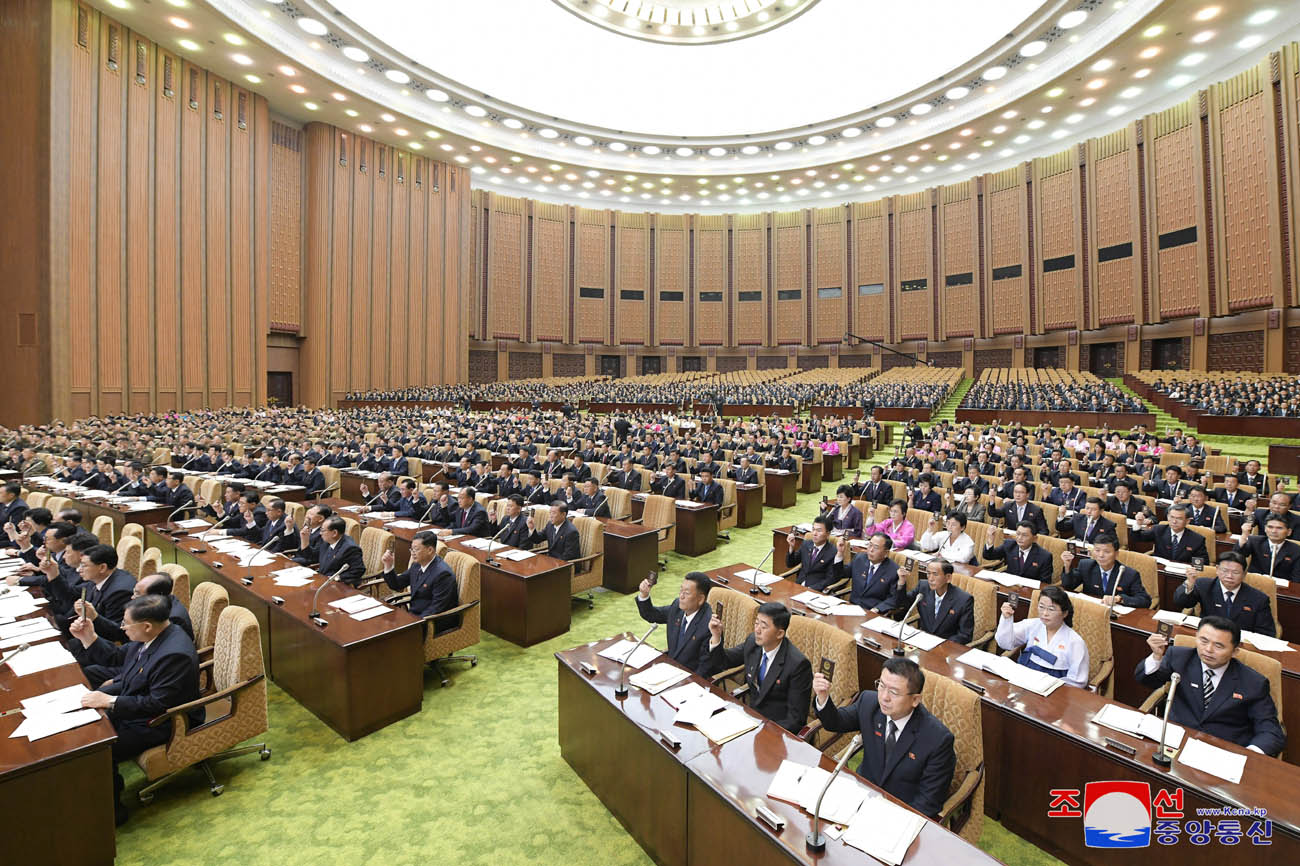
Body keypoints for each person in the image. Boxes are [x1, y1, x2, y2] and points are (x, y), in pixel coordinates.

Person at [72, 594, 203, 825]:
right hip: (139, 704)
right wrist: (88, 637)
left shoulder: (174, 653)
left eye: (126, 624)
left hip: (165, 722)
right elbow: (117, 656)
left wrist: (110, 702)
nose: (122, 628)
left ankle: (114, 813)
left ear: (146, 626)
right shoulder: (154, 636)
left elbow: (157, 704)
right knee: (82, 714)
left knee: (98, 747)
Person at [810, 656, 955, 819]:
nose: (884, 697)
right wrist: (822, 697)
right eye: (881, 686)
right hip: (860, 797)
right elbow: (835, 722)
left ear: (915, 700)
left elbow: (928, 802)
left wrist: (890, 821)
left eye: (893, 692)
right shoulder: (868, 702)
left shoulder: (938, 739)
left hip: (898, 813)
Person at [1135, 615, 1284, 756]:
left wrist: (1248, 755)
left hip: (1222, 751)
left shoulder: (1254, 682)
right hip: (1176, 742)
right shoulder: (1179, 657)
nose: (1208, 650)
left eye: (1218, 646)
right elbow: (1147, 680)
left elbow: (1270, 731)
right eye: (1203, 641)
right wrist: (1156, 657)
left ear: (1235, 651)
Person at [705, 601, 812, 733]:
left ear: (779, 634)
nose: (757, 630)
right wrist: (716, 636)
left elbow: (795, 720)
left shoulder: (798, 665)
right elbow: (724, 661)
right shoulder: (753, 642)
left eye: (764, 626)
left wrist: (763, 731)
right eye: (756, 623)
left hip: (776, 731)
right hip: (752, 719)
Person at [76, 571, 194, 662]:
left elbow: (129, 640)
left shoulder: (171, 619)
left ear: (155, 596)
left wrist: (95, 618)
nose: (132, 598)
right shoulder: (159, 604)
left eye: (137, 594)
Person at [996, 585, 1090, 688]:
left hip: (1054, 688)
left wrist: (1052, 687)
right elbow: (1005, 643)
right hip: (1025, 680)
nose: (1044, 613)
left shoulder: (1075, 642)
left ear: (1064, 613)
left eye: (1051, 609)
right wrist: (1006, 619)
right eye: (1041, 607)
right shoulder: (1032, 625)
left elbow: (1078, 681)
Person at [1172, 551, 1275, 637]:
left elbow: (1266, 633)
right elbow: (1181, 602)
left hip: (1240, 644)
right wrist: (1189, 584)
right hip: (1209, 637)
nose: (1229, 576)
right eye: (1225, 571)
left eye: (1235, 572)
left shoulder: (1259, 598)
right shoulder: (1204, 585)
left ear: (1244, 574)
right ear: (1217, 570)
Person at [379, 531, 459, 634]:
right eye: (411, 549)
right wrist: (388, 566)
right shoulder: (416, 565)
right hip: (416, 616)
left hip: (433, 623)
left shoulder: (442, 574)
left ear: (430, 550)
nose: (412, 553)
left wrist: (412, 623)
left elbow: (437, 608)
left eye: (416, 549)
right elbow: (397, 584)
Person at [635, 571, 713, 674]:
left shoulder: (708, 625)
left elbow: (705, 669)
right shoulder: (677, 607)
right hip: (670, 669)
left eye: (687, 593)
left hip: (689, 678)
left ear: (701, 599)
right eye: (681, 590)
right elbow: (652, 615)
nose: (681, 596)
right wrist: (644, 594)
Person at [895, 560, 974, 645]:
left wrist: (941, 644)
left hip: (945, 647)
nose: (930, 579)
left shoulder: (964, 599)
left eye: (935, 574)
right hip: (922, 641)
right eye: (928, 573)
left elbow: (965, 635)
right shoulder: (923, 587)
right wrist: (901, 582)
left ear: (948, 578)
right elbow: (902, 604)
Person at [1061, 535, 1150, 608]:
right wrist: (1067, 566)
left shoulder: (1129, 574)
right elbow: (1068, 586)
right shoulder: (1086, 566)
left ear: (1116, 554)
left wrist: (1119, 599)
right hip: (1092, 611)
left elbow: (1145, 600)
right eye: (1097, 550)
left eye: (1106, 552)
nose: (1101, 555)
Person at [68, 544, 136, 637]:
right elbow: (72, 593)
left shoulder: (119, 592)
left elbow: (119, 633)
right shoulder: (97, 577)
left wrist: (94, 617)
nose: (79, 569)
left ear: (102, 567)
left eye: (84, 565)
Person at [832, 532, 899, 614]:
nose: (871, 550)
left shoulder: (893, 570)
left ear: (886, 553)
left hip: (872, 614)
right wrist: (840, 553)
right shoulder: (860, 558)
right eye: (870, 545)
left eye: (876, 547)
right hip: (852, 609)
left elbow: (893, 598)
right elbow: (840, 574)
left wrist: (877, 609)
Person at [1132, 504, 1209, 563]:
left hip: (1183, 574)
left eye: (1179, 518)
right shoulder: (1158, 530)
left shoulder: (1197, 539)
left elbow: (1202, 563)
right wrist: (1138, 523)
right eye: (1171, 517)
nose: (1174, 521)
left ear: (1187, 521)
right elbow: (1137, 538)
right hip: (1161, 570)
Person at [982, 523, 1054, 584]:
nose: (1019, 538)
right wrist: (990, 540)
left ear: (1035, 538)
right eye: (1018, 534)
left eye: (1024, 535)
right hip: (1009, 586)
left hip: (1029, 591)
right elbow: (988, 556)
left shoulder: (1045, 556)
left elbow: (1045, 583)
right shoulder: (1009, 545)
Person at [785, 516, 837, 591]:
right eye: (813, 529)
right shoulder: (806, 544)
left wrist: (811, 589)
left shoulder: (832, 552)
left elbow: (830, 579)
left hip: (815, 590)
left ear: (828, 534)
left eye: (819, 531)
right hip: (798, 586)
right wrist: (791, 547)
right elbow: (790, 564)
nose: (814, 533)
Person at [315, 516, 366, 587]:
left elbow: (358, 570)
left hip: (339, 585)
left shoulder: (350, 548)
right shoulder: (326, 541)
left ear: (334, 533)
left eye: (323, 530)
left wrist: (337, 578)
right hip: (323, 581)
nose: (320, 533)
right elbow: (314, 556)